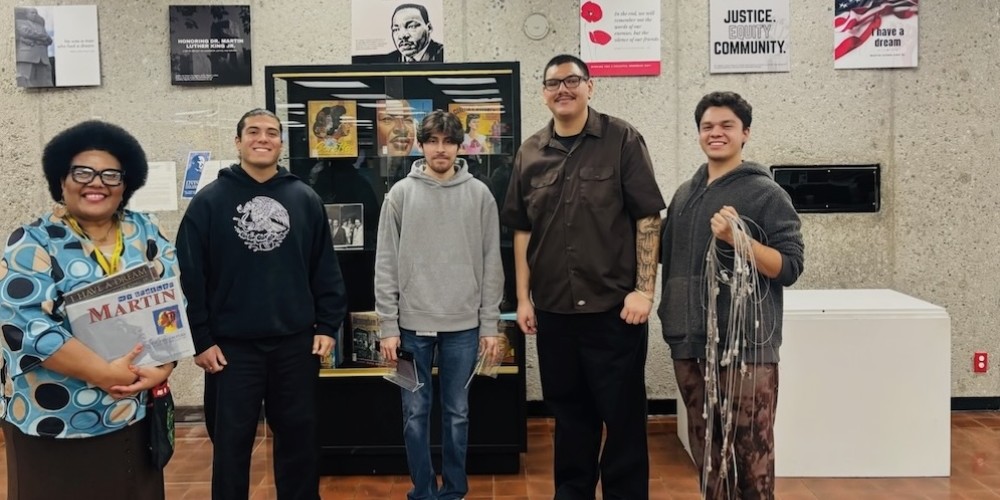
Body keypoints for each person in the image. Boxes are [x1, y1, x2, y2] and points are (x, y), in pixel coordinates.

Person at [500, 54, 665, 499]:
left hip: (615, 311)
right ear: (543, 94)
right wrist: (523, 298)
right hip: (554, 312)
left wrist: (645, 291)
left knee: (624, 419)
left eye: (573, 80)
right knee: (570, 419)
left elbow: (648, 216)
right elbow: (521, 229)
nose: (563, 89)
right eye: (553, 83)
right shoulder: (530, 151)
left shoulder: (622, 139)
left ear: (590, 87)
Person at [0, 120, 179, 499]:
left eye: (111, 175)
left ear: (125, 185)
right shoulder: (32, 241)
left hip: (134, 412)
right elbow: (26, 328)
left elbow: (173, 302)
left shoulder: (145, 231)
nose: (97, 183)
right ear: (61, 180)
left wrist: (163, 365)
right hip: (56, 420)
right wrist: (105, 374)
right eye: (83, 172)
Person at [176, 108, 348, 500]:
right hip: (230, 349)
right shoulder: (209, 202)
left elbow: (325, 268)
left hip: (295, 345)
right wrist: (200, 339)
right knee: (231, 448)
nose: (263, 138)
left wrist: (327, 325)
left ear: (281, 144)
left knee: (300, 445)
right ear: (238, 142)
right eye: (253, 131)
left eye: (272, 132)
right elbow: (188, 276)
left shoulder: (304, 198)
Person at [658, 91, 804, 499]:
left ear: (745, 134)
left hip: (748, 352)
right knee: (707, 454)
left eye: (726, 126)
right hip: (689, 343)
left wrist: (741, 241)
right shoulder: (684, 196)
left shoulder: (766, 194)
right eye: (708, 126)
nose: (716, 133)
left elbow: (790, 267)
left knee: (751, 454)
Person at [375, 110, 503, 500]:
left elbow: (491, 263)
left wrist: (489, 326)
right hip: (410, 331)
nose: (440, 149)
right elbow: (385, 263)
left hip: (464, 330)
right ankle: (423, 491)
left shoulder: (480, 195)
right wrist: (388, 328)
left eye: (448, 141)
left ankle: (455, 491)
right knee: (413, 416)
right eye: (433, 141)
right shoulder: (399, 195)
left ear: (460, 145)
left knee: (458, 415)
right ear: (420, 144)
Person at [355, 3, 444, 63]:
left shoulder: (443, 55)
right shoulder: (388, 61)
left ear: (429, 28)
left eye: (411, 26)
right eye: (396, 29)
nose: (402, 35)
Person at [15, 7, 53, 87]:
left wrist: (37, 38)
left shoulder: (41, 26)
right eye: (32, 12)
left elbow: (49, 40)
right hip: (27, 56)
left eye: (36, 13)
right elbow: (26, 32)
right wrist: (42, 37)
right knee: (24, 80)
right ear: (26, 14)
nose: (35, 14)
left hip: (42, 58)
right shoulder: (20, 22)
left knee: (45, 82)